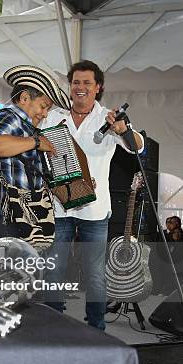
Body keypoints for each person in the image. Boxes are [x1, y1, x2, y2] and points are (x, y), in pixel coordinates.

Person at [42, 60, 144, 330]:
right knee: (54, 269)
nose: (81, 87)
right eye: (76, 82)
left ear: (98, 88)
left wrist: (124, 130)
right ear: (70, 85)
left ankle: (96, 329)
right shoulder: (54, 117)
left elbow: (138, 147)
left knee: (96, 274)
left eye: (87, 82)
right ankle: (53, 325)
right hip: (60, 207)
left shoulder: (108, 119)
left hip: (95, 210)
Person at [0, 65, 70, 242]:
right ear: (25, 97)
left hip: (20, 217)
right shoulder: (9, 117)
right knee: (11, 270)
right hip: (3, 217)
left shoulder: (29, 129)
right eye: (43, 106)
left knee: (21, 270)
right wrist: (35, 142)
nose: (44, 114)